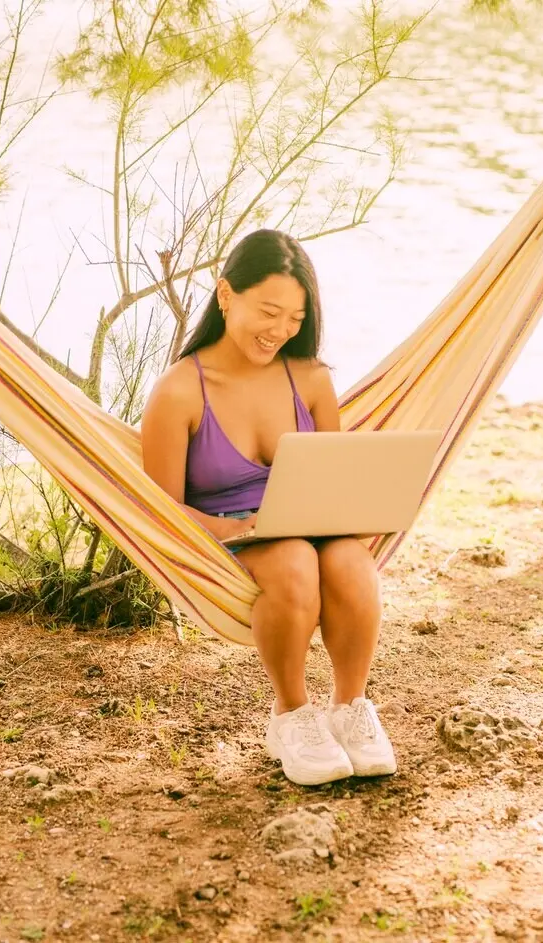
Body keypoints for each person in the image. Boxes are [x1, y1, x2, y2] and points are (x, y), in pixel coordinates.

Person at [140, 229, 395, 786]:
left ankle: (350, 709)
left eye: (296, 319)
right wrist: (234, 524)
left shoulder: (310, 381)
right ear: (226, 295)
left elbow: (336, 475)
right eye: (270, 311)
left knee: (353, 565)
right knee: (293, 561)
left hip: (310, 523)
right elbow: (158, 510)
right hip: (232, 540)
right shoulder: (179, 391)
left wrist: (366, 507)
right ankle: (291, 714)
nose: (280, 331)